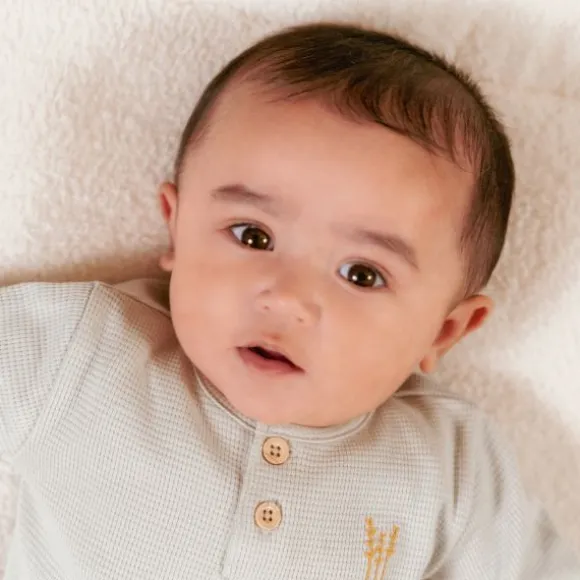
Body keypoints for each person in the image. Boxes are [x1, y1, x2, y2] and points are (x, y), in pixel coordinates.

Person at [0, 22, 577, 579]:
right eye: (253, 236)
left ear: (443, 331)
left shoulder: (451, 464)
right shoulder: (85, 352)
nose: (288, 298)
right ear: (177, 227)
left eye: (362, 274)